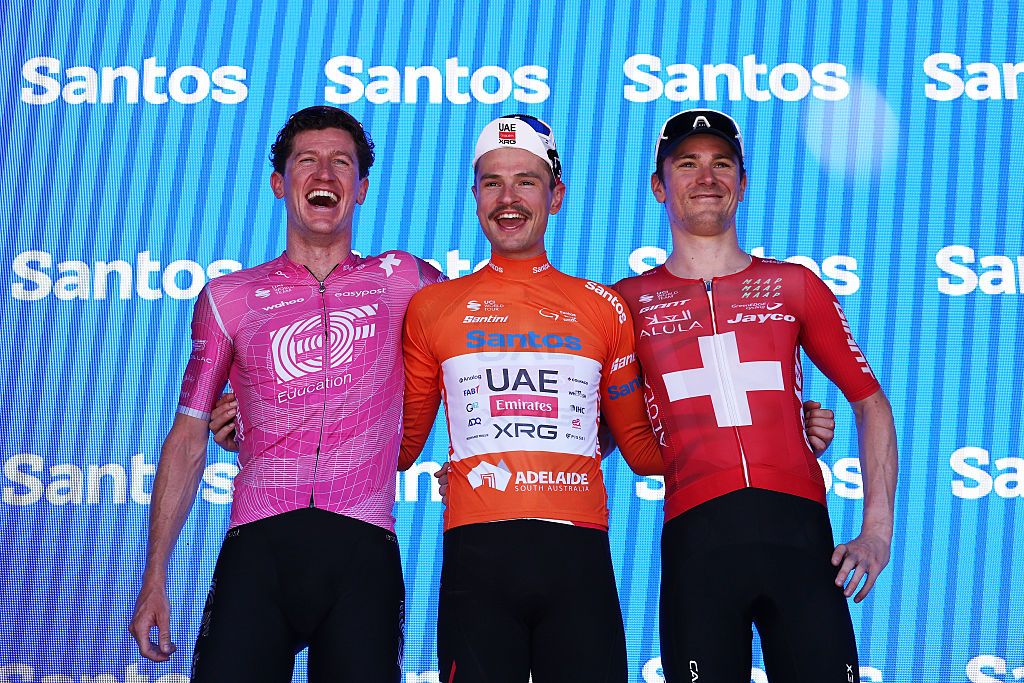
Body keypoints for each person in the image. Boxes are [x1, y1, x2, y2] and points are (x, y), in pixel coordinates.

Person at [128, 106, 444, 682]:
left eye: (341, 163)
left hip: (363, 551)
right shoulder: (231, 297)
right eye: (308, 161)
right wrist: (155, 577)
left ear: (361, 188)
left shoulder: (406, 280)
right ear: (280, 183)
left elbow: (478, 359)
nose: (324, 174)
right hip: (259, 549)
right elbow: (191, 430)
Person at [612, 109, 898, 682]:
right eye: (687, 163)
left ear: (743, 184)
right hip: (698, 543)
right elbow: (593, 429)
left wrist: (877, 530)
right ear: (658, 185)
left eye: (722, 164)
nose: (706, 177)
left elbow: (870, 402)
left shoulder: (795, 285)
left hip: (800, 538)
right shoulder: (624, 303)